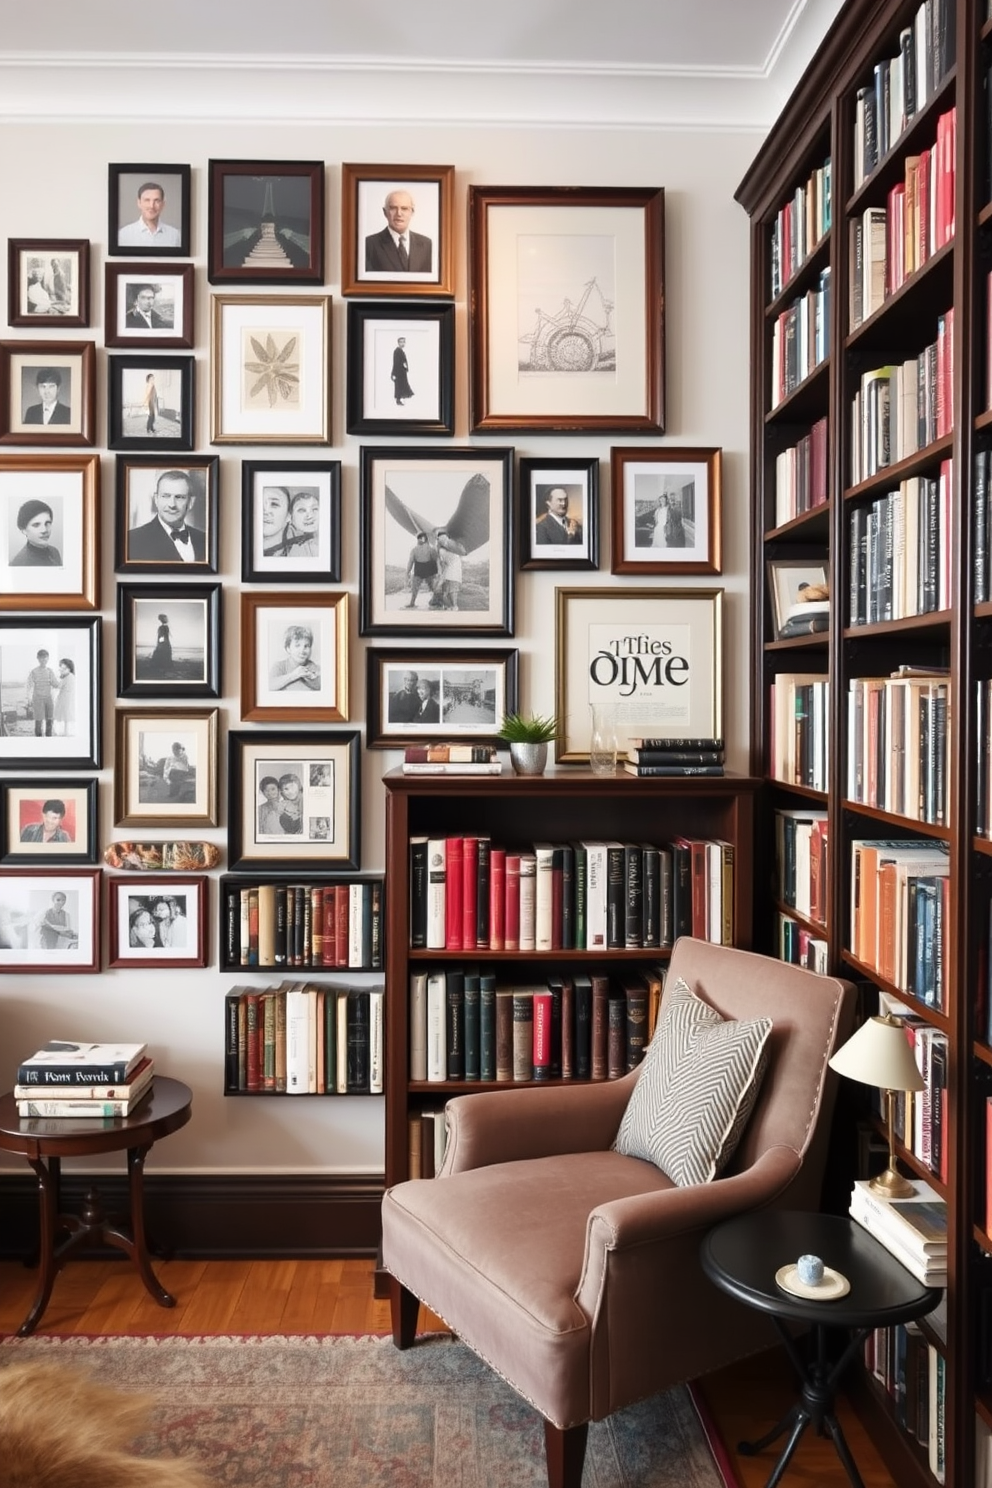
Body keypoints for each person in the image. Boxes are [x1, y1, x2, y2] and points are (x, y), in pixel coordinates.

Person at [128, 469, 206, 563]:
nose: (172, 504)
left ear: (191, 503)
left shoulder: (205, 540)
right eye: (166, 496)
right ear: (156, 499)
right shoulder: (132, 540)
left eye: (179, 497)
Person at [364, 189, 433, 273]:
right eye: (393, 208)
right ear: (385, 212)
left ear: (412, 212)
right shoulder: (368, 244)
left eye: (404, 208)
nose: (399, 213)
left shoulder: (427, 244)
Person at [118, 181, 182, 249]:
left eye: (157, 201)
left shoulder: (175, 235)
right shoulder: (124, 234)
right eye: (147, 200)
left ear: (163, 204)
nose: (151, 206)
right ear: (139, 203)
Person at [11, 498, 62, 567]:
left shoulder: (54, 552)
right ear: (24, 530)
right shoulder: (19, 563)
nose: (44, 530)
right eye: (36, 525)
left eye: (47, 523)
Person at [269, 624, 320, 692]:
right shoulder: (279, 666)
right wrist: (294, 675)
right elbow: (269, 686)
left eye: (306, 646)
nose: (302, 650)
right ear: (288, 649)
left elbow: (322, 687)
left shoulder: (314, 666)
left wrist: (311, 678)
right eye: (297, 645)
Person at [25, 649, 58, 737]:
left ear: (48, 658)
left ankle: (48, 741)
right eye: (41, 658)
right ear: (38, 658)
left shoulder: (50, 671)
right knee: (38, 721)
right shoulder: (34, 671)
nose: (43, 660)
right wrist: (29, 698)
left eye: (45, 658)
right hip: (38, 699)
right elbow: (29, 686)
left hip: (48, 699)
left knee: (49, 721)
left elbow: (56, 684)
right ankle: (38, 742)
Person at [404, 533, 437, 609]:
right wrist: (407, 572)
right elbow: (410, 562)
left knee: (432, 587)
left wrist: (437, 573)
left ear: (424, 539)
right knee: (415, 587)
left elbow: (436, 561)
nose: (419, 540)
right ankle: (412, 603)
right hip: (420, 569)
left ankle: (436, 600)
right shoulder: (415, 550)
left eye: (420, 538)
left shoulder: (430, 549)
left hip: (428, 569)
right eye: (418, 538)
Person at [434, 530, 464, 611]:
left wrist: (442, 541)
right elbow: (439, 560)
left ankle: (454, 606)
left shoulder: (450, 544)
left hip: (454, 567)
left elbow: (460, 550)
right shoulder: (440, 548)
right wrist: (440, 572)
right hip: (448, 568)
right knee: (444, 589)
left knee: (452, 588)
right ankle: (450, 606)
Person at [286, 488, 319, 556]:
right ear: (289, 517)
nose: (310, 515)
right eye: (302, 510)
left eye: (315, 509)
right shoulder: (288, 550)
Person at [52, 658, 75, 736]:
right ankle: (65, 731)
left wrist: (53, 682)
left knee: (63, 715)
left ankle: (64, 731)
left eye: (64, 668)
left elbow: (58, 686)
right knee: (65, 716)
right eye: (61, 668)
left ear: (69, 668)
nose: (61, 670)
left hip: (65, 698)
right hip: (66, 697)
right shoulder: (70, 676)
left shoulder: (67, 677)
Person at [391, 337, 413, 405]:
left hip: (402, 372)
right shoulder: (397, 351)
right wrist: (393, 373)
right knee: (398, 386)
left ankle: (400, 400)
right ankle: (398, 400)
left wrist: (406, 367)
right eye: (401, 342)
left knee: (402, 385)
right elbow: (396, 363)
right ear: (398, 343)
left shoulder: (401, 351)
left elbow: (404, 361)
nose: (402, 343)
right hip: (398, 372)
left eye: (404, 342)